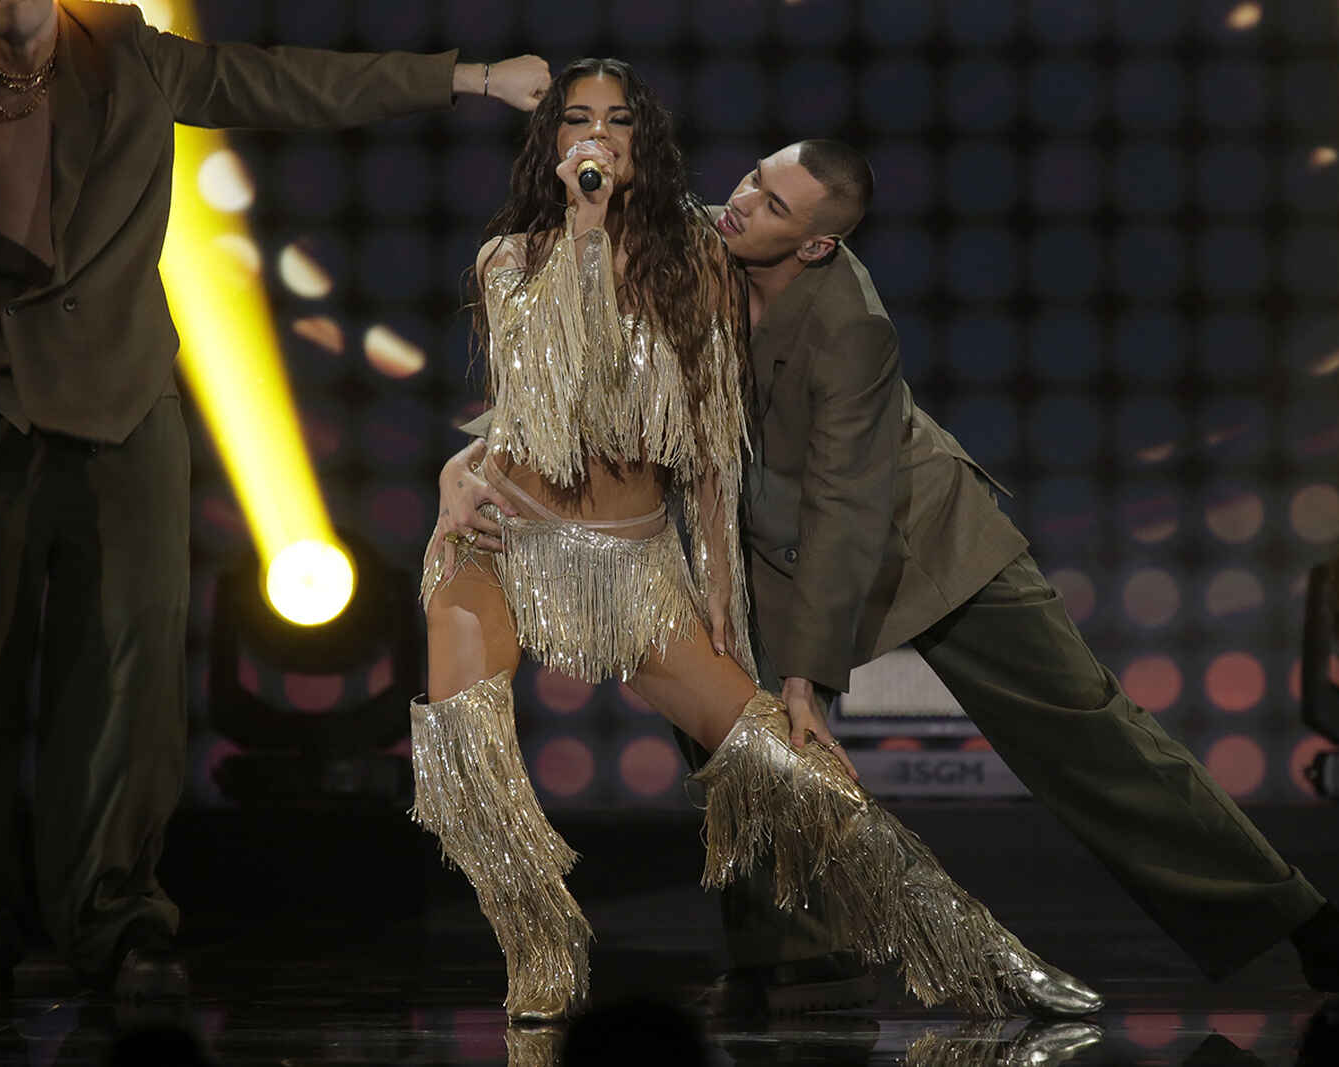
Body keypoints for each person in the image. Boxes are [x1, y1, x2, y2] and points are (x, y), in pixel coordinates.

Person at [440, 139, 1339, 1016]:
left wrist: (806, 668)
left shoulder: (848, 326)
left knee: (1088, 729)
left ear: (817, 242)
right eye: (750, 178)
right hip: (752, 546)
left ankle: (1304, 922)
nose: (741, 201)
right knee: (737, 740)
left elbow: (847, 506)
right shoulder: (683, 244)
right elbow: (556, 368)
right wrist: (463, 469)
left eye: (774, 202)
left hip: (915, 533)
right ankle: (794, 960)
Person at [0, 0, 549, 1004]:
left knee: (125, 677)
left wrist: (469, 78)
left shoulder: (128, 56)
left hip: (118, 401)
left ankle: (114, 916)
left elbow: (282, 81)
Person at [411, 58, 1102, 1025]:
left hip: (636, 567)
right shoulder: (511, 260)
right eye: (577, 120)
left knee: (788, 768)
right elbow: (558, 394)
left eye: (618, 121)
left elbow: (708, 459)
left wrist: (726, 617)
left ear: (646, 144)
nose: (598, 138)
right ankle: (541, 951)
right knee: (463, 755)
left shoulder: (700, 261)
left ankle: (981, 955)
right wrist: (464, 462)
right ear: (553, 143)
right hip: (504, 540)